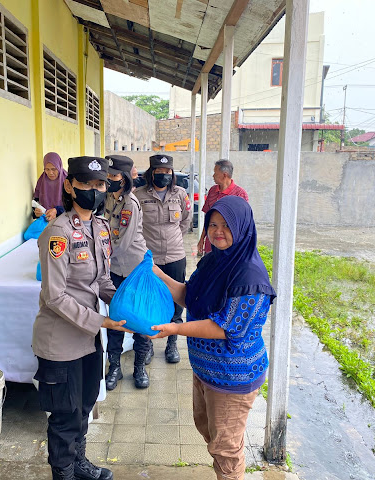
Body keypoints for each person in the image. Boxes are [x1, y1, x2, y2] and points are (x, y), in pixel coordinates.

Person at [151, 196, 276, 480]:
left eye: (226, 226)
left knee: (225, 449)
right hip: (207, 372)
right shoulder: (213, 261)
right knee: (212, 432)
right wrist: (156, 273)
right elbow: (188, 296)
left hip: (233, 377)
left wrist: (175, 329)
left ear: (242, 227)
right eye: (213, 224)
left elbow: (224, 328)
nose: (218, 231)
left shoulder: (249, 276)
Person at [32, 155, 129, 480]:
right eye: (86, 184)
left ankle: (78, 463)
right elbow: (55, 296)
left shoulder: (99, 228)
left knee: (85, 403)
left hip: (88, 340)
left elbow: (100, 281)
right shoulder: (57, 233)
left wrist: (121, 304)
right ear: (70, 186)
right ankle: (63, 472)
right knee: (65, 415)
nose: (94, 190)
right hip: (60, 342)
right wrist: (101, 321)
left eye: (100, 184)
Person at [135, 154, 193, 363]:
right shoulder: (139, 195)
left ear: (172, 173)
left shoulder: (180, 194)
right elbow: (136, 226)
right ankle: (147, 344)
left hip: (176, 256)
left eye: (167, 172)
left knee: (177, 300)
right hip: (150, 258)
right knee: (149, 300)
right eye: (159, 172)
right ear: (151, 173)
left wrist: (174, 239)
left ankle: (171, 345)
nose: (163, 175)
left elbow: (186, 220)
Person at [103, 155, 152, 390]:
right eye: (108, 176)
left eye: (114, 176)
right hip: (115, 269)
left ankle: (139, 367)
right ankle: (114, 367)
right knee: (116, 318)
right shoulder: (107, 199)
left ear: (123, 179)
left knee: (139, 319)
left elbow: (122, 243)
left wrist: (100, 259)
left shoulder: (130, 204)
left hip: (133, 268)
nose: (110, 180)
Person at [197, 159, 249, 256]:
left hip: (230, 247)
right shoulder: (212, 191)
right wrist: (202, 239)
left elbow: (243, 224)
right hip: (211, 245)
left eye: (215, 173)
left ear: (224, 175)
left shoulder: (240, 194)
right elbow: (208, 218)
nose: (213, 176)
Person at [33, 152, 67, 221]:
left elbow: (74, 207)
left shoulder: (67, 181)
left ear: (59, 167)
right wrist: (36, 213)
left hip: (65, 222)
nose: (50, 173)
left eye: (53, 169)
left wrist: (57, 210)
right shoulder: (41, 181)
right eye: (47, 169)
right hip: (46, 222)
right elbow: (36, 202)